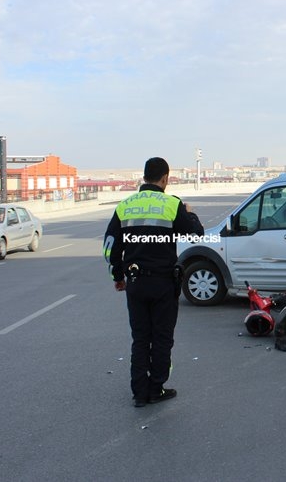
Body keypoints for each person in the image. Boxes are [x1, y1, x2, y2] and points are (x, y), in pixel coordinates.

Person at [103, 157, 205, 407]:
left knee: (140, 338)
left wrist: (118, 276)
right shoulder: (172, 204)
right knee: (161, 337)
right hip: (163, 284)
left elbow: (110, 246)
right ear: (165, 178)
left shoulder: (125, 205)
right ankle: (156, 388)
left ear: (144, 176)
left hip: (135, 283)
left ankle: (139, 393)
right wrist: (189, 214)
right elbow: (196, 235)